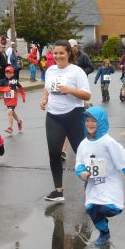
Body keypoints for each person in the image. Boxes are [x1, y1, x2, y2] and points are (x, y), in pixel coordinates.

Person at [75, 106, 125, 246]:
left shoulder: (108, 142)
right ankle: (104, 232)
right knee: (92, 209)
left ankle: (106, 217)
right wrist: (82, 173)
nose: (89, 124)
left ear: (101, 122)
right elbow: (79, 164)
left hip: (109, 183)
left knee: (108, 208)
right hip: (92, 185)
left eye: (93, 121)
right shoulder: (83, 145)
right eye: (87, 120)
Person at [40, 40, 91, 202]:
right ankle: (58, 191)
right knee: (54, 153)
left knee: (82, 153)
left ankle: (94, 187)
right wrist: (44, 99)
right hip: (54, 116)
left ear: (69, 53)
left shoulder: (77, 72)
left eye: (61, 53)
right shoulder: (50, 70)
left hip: (74, 115)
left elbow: (86, 95)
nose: (58, 56)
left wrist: (69, 90)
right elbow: (47, 88)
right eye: (55, 53)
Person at [0, 66, 25, 134]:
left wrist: (23, 96)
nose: (8, 74)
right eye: (7, 73)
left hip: (13, 99)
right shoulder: (2, 81)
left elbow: (20, 88)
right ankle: (19, 121)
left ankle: (10, 128)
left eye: (10, 73)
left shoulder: (14, 81)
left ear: (13, 74)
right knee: (12, 112)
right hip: (7, 100)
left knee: (9, 112)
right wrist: (6, 89)